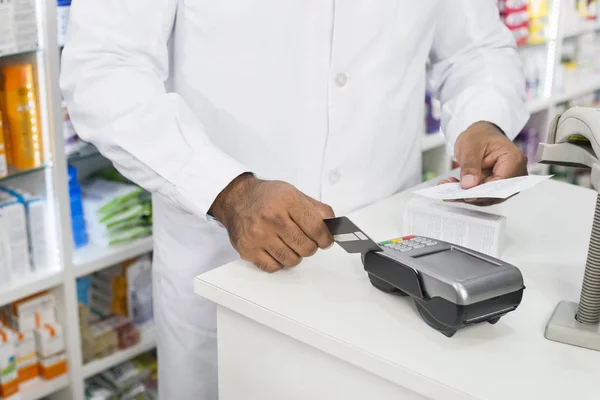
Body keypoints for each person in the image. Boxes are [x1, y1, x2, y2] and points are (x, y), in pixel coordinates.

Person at [60, 1, 530, 398]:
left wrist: (481, 119)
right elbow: (103, 67)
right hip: (223, 259)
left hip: (386, 261)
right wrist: (227, 191)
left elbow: (475, 48)